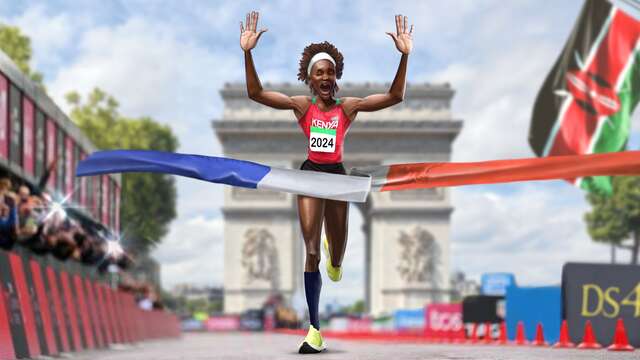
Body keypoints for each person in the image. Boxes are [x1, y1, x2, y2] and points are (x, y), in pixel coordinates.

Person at [240, 11, 413, 353]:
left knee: (336, 252)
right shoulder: (301, 106)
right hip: (309, 175)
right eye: (319, 71)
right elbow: (256, 93)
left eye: (330, 71)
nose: (325, 76)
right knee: (310, 250)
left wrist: (404, 56)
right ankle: (314, 330)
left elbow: (395, 97)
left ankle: (335, 261)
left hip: (337, 178)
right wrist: (247, 53)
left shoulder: (347, 108)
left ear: (336, 78)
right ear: (309, 77)